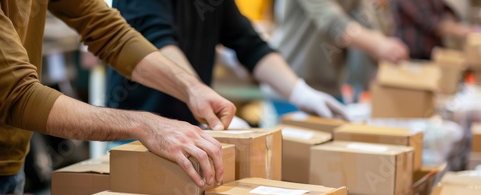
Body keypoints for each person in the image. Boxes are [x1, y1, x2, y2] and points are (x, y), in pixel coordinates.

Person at [0, 0, 236, 195]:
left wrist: (191, 88)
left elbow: (106, 28)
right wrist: (144, 124)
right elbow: (15, 94)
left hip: (6, 163)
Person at [106, 0, 349, 129]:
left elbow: (249, 44)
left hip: (192, 128)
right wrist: (202, 97)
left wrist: (301, 93)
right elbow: (158, 42)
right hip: (139, 131)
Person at [269, 0, 410, 99]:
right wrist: (379, 45)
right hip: (289, 84)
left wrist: (384, 47)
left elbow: (364, 20)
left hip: (330, 87)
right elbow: (334, 22)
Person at [391, 0, 474, 60]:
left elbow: (444, 8)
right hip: (412, 57)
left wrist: (453, 18)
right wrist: (457, 29)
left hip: (431, 54)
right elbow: (428, 22)